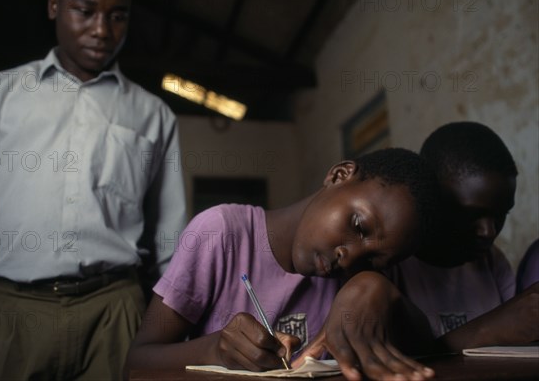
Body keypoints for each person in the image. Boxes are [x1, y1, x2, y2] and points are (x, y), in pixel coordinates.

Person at [0, 0, 186, 379]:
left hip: (116, 312)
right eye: (85, 11)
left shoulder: (154, 115)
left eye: (117, 16)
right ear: (54, 5)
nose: (102, 29)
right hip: (10, 311)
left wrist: (178, 327)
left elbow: (170, 242)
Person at [126, 148, 439, 381]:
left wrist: (380, 288)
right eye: (358, 225)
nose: (350, 256)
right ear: (338, 175)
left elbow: (429, 349)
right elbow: (136, 362)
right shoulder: (220, 232)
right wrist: (213, 350)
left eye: (371, 259)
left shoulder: (366, 280)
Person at [386, 122, 538, 350]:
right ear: (431, 198)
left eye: (501, 214)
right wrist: (487, 330)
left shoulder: (492, 262)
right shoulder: (391, 263)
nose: (489, 231)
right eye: (471, 214)